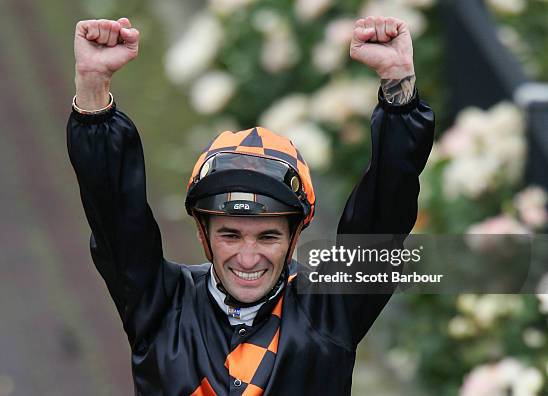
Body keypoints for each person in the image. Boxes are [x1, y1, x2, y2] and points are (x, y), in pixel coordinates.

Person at [67, 15, 434, 395]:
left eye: (268, 237)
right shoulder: (160, 304)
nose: (247, 258)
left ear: (295, 238)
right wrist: (93, 88)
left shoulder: (328, 309)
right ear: (202, 233)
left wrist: (398, 86)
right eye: (230, 234)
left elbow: (384, 211)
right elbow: (115, 214)